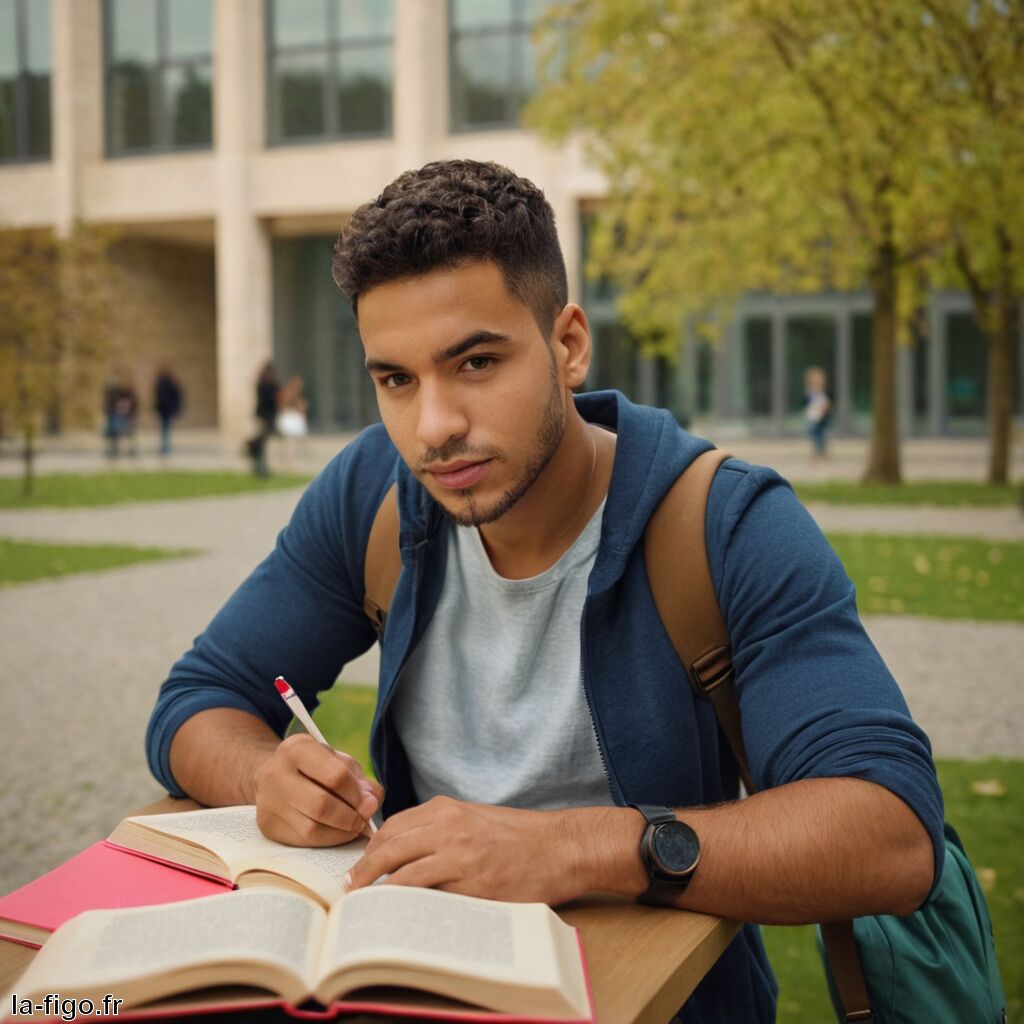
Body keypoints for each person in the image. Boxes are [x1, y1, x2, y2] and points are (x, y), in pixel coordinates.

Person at [146, 160, 942, 1023]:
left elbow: (891, 833)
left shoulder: (725, 519)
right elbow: (199, 700)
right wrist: (269, 776)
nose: (435, 426)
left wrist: (574, 849)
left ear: (567, 343)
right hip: (418, 991)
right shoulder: (370, 493)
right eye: (396, 380)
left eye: (476, 361)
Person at [246, 361, 279, 477]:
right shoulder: (267, 385)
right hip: (265, 417)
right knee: (261, 444)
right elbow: (271, 400)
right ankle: (261, 468)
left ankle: (260, 468)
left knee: (262, 444)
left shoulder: (263, 384)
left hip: (263, 416)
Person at [275, 374, 309, 467]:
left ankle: (296, 458)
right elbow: (281, 406)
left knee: (297, 440)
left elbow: (302, 409)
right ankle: (285, 459)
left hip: (296, 418)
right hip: (288, 417)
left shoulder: (300, 396)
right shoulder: (285, 394)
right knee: (286, 441)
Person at [804, 365, 832, 464]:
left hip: (823, 418)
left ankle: (822, 453)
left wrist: (825, 409)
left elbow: (828, 404)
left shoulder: (825, 391)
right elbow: (808, 404)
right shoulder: (809, 391)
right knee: (815, 437)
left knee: (823, 436)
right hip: (813, 418)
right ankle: (816, 454)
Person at [154, 368, 183, 457]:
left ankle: (165, 447)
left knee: (165, 429)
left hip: (164, 410)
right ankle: (166, 447)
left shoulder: (161, 384)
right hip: (166, 410)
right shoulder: (169, 384)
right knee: (166, 429)